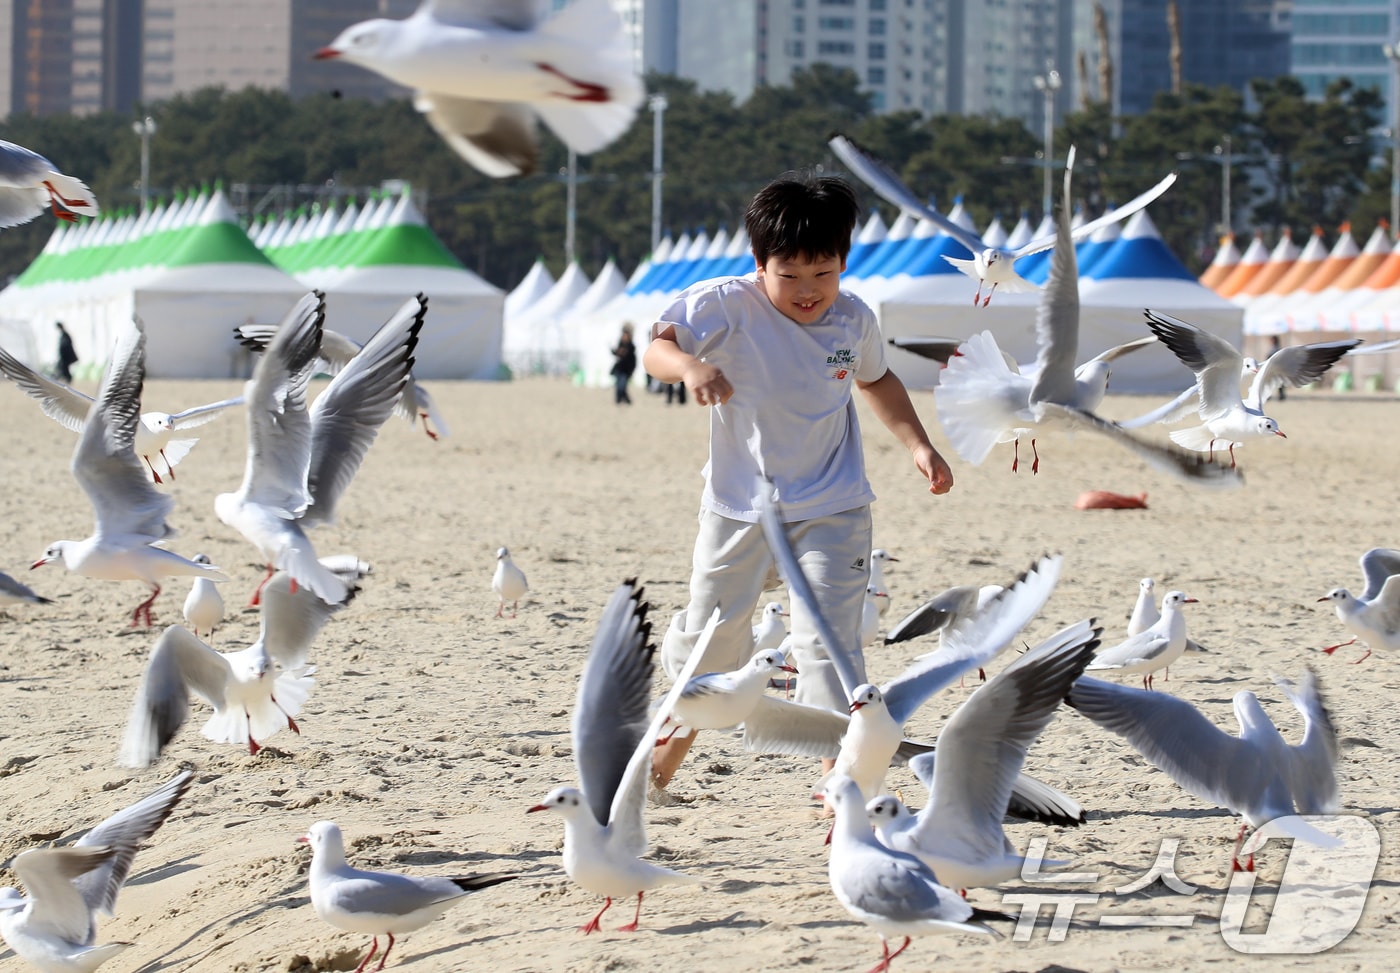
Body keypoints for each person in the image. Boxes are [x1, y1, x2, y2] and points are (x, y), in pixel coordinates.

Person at [644, 170, 954, 791]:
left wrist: (919, 444)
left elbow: (877, 380)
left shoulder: (854, 318)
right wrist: (689, 367)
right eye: (790, 276)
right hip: (739, 505)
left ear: (844, 261)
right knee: (714, 640)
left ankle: (839, 783)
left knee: (829, 642)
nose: (810, 291)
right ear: (759, 263)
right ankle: (661, 762)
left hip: (833, 504)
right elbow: (656, 349)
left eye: (824, 273)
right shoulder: (721, 304)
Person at [610, 323, 637, 404]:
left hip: (626, 370)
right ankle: (620, 400)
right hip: (619, 369)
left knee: (622, 385)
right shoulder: (620, 344)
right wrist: (614, 351)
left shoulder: (631, 346)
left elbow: (628, 356)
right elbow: (617, 354)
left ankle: (625, 400)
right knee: (619, 385)